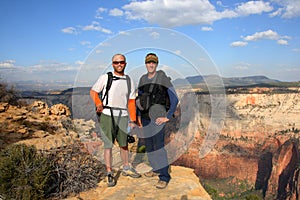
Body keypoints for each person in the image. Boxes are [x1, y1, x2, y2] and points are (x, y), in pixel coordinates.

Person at [90, 54, 141, 187]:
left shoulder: (129, 80)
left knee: (124, 144)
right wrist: (98, 103)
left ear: (125, 63)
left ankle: (126, 167)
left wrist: (133, 119)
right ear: (112, 64)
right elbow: (94, 92)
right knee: (108, 145)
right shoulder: (106, 77)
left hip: (123, 116)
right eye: (116, 62)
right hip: (107, 114)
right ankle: (109, 172)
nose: (119, 64)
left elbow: (131, 101)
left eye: (122, 62)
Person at [136, 53, 179, 189]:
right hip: (145, 118)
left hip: (158, 120)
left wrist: (168, 116)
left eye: (153, 62)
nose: (151, 65)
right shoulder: (143, 79)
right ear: (145, 64)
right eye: (149, 62)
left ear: (157, 64)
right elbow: (139, 100)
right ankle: (155, 169)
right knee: (149, 146)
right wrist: (138, 117)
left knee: (159, 147)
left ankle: (164, 176)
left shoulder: (163, 78)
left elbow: (174, 99)